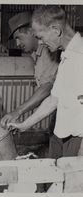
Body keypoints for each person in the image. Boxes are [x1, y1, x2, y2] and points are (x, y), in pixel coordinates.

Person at [8, 5, 83, 158]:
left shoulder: (80, 56)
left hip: (78, 139)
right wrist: (24, 125)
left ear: (56, 31)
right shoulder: (67, 56)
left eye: (41, 37)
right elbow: (53, 99)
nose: (40, 43)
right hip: (63, 133)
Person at [0, 12, 59, 132]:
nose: (17, 44)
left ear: (31, 31)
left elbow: (47, 87)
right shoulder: (35, 54)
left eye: (18, 38)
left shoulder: (48, 51)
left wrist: (18, 111)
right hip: (55, 108)